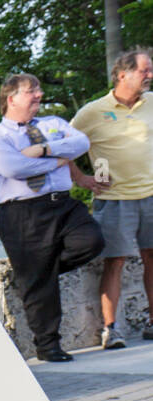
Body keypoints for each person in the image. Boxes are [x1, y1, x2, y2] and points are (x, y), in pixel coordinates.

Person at [0, 73, 105, 361]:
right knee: (38, 283)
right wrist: (60, 159)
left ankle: (38, 273)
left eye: (38, 90)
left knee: (92, 241)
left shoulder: (54, 125)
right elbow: (17, 168)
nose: (38, 95)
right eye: (30, 91)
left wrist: (44, 148)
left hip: (62, 206)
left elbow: (82, 143)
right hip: (23, 214)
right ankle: (48, 346)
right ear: (11, 99)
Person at [71, 48, 153, 349]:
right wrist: (81, 178)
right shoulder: (93, 112)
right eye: (144, 70)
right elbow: (64, 147)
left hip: (152, 196)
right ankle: (111, 330)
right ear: (122, 74)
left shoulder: (152, 103)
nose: (150, 76)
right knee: (115, 262)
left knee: (152, 259)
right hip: (116, 199)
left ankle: (152, 323)